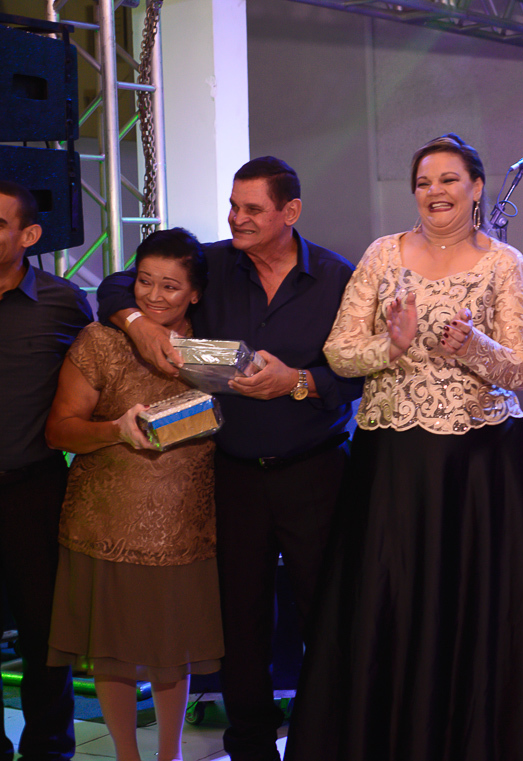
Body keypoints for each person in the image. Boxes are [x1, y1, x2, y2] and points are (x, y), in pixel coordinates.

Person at [284, 133, 523, 761]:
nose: (435, 191)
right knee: (391, 597)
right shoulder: (383, 255)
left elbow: (521, 370)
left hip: (479, 463)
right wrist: (392, 346)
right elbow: (340, 351)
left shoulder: (503, 264)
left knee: (470, 610)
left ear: (477, 187)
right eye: (425, 181)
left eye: (450, 179)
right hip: (393, 458)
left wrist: (475, 347)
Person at [96, 157, 362, 761]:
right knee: (239, 622)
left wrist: (297, 382)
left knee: (324, 612)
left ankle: (325, 741)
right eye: (233, 206)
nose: (236, 219)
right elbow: (118, 284)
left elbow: (361, 375)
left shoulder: (337, 279)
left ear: (289, 213)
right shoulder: (212, 264)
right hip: (233, 473)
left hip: (315, 469)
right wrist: (138, 323)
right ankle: (249, 745)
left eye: (252, 210)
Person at [43, 229, 222, 761]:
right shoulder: (101, 341)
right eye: (144, 281)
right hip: (105, 522)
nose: (152, 295)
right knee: (113, 654)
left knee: (174, 654)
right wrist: (114, 431)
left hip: (184, 525)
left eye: (170, 287)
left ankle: (169, 757)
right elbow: (59, 431)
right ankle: (126, 755)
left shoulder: (212, 350)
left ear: (193, 294)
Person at [0, 180, 87, 761]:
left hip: (32, 488)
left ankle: (48, 750)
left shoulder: (63, 302)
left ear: (29, 236)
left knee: (44, 634)